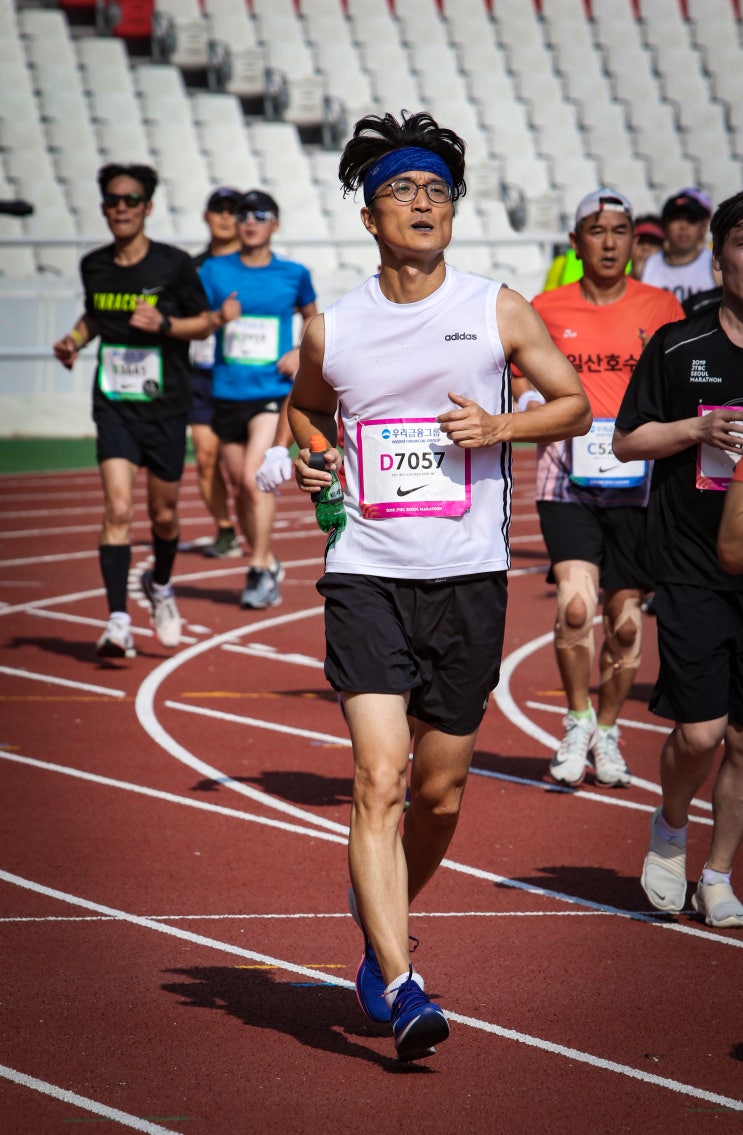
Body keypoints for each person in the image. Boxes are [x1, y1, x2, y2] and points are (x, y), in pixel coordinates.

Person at [288, 110, 592, 1062]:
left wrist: (500, 430)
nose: (424, 204)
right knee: (376, 775)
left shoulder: (495, 307)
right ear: (369, 216)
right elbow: (304, 413)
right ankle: (398, 973)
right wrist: (312, 466)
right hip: (367, 574)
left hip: (467, 578)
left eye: (437, 192)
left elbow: (574, 403)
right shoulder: (329, 326)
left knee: (441, 790)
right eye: (403, 192)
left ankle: (377, 901)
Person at [523, 189, 684, 789]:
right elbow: (519, 381)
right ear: (576, 242)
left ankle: (609, 731)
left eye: (621, 230)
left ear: (635, 242)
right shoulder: (545, 306)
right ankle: (576, 718)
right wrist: (527, 401)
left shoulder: (662, 306)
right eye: (597, 230)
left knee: (623, 624)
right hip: (565, 475)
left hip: (640, 482)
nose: (611, 241)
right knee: (575, 606)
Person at [614, 190, 743, 928]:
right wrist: (696, 428)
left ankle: (719, 873)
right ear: (719, 253)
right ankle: (669, 829)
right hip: (692, 559)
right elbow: (627, 440)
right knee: (699, 731)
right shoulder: (679, 345)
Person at [52, 163, 233, 659]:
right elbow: (96, 314)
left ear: (147, 207)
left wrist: (165, 322)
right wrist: (73, 340)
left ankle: (162, 586)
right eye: (114, 200)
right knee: (117, 508)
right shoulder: (94, 265)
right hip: (113, 403)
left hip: (166, 405)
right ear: (104, 207)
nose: (122, 208)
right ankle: (117, 620)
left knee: (165, 514)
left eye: (132, 200)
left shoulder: (174, 265)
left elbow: (203, 325)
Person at [198, 189, 317, 609]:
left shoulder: (293, 273)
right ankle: (266, 560)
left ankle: (259, 565)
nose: (250, 221)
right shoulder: (213, 271)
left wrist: (301, 350)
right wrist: (215, 319)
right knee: (241, 490)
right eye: (244, 215)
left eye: (260, 215)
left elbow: (314, 319)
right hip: (226, 393)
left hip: (271, 393)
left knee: (253, 477)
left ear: (275, 225)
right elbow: (194, 324)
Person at [190, 187, 243, 559]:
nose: (225, 217)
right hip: (201, 375)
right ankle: (225, 529)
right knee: (206, 457)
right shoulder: (191, 269)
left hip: (244, 376)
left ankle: (255, 527)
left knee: (242, 467)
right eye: (218, 209)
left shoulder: (255, 265)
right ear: (206, 216)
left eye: (233, 210)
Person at [641, 187, 720, 304]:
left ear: (703, 227)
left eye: (691, 219)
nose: (683, 226)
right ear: (664, 225)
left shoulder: (716, 266)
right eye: (676, 219)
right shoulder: (646, 265)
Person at [628, 214, 664, 281]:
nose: (646, 248)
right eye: (640, 242)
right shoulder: (613, 285)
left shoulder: (672, 284)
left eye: (653, 242)